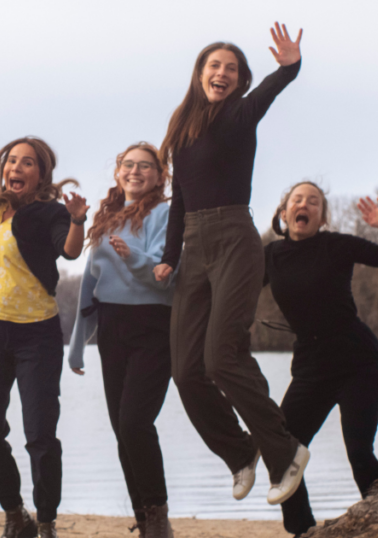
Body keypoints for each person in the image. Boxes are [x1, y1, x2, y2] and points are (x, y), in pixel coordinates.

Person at [152, 22, 309, 505]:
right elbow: (179, 199)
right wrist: (169, 255)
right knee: (185, 369)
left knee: (221, 356)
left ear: (240, 80)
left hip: (236, 239)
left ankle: (284, 453)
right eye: (214, 65)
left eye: (231, 68)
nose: (221, 72)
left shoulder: (241, 114)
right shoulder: (182, 127)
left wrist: (290, 67)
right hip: (194, 244)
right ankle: (240, 452)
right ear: (200, 73)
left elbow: (271, 92)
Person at [264, 182, 378, 536]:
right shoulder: (269, 256)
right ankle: (303, 530)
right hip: (311, 366)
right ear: (284, 213)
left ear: (322, 216)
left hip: (357, 360)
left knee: (359, 452)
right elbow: (234, 292)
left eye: (313, 202)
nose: (305, 205)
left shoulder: (337, 245)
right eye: (297, 200)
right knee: (281, 451)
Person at [0, 137, 88, 538]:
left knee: (40, 436)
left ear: (41, 174)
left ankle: (45, 521)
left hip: (36, 336)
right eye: (12, 161)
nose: (17, 167)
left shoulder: (49, 213)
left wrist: (78, 221)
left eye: (27, 163)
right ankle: (16, 515)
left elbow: (68, 252)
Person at [67, 142, 175, 538]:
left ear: (159, 176)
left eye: (145, 166)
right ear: (118, 173)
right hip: (111, 327)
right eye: (128, 165)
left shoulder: (165, 213)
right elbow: (89, 285)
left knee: (134, 422)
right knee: (120, 427)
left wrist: (134, 256)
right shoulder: (106, 218)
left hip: (152, 324)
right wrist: (78, 342)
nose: (135, 171)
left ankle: (159, 515)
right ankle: (145, 518)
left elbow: (165, 272)